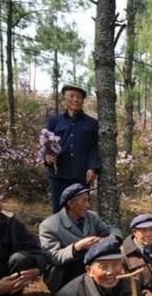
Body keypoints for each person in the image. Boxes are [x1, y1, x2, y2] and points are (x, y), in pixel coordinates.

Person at [39, 183, 122, 294]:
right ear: (70, 204)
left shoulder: (91, 217)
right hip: (65, 274)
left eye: (88, 200)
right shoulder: (49, 225)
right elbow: (53, 257)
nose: (88, 205)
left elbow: (111, 229)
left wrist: (112, 238)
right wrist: (77, 247)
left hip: (89, 269)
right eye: (84, 201)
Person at [44, 84, 101, 213]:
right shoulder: (54, 121)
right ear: (65, 98)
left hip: (81, 175)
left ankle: (80, 234)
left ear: (83, 101)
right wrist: (47, 156)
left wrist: (92, 167)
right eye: (72, 96)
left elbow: (94, 147)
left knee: (80, 210)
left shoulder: (92, 123)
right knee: (59, 210)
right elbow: (45, 144)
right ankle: (58, 233)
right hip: (59, 174)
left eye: (79, 97)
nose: (75, 100)